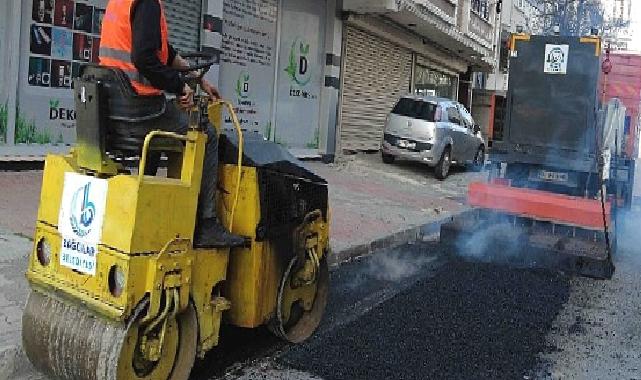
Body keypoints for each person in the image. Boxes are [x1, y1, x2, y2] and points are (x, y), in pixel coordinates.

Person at [99, 0, 245, 248]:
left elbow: (163, 51)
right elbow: (145, 59)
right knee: (206, 133)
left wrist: (198, 80)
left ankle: (147, 205)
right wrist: (179, 87)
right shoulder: (147, 3)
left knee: (169, 122)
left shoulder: (122, 3)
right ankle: (208, 223)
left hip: (117, 113)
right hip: (139, 114)